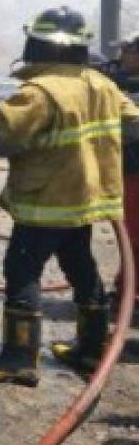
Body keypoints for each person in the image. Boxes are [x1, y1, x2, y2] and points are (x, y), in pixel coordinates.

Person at [0, 7, 139, 386]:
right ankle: (92, 348)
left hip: (44, 202)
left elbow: (1, 142)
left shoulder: (38, 91)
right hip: (86, 200)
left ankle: (18, 358)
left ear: (37, 44)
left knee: (23, 270)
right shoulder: (103, 86)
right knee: (81, 267)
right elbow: (133, 124)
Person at [92, 35, 139, 324]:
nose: (121, 57)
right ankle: (127, 290)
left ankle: (130, 295)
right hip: (128, 170)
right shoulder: (119, 82)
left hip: (136, 172)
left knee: (134, 238)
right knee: (131, 238)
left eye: (128, 51)